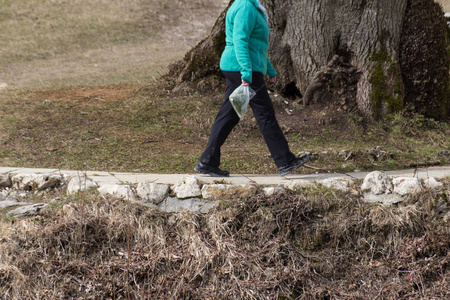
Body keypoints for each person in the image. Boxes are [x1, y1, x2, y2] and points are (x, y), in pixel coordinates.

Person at [195, 0, 309, 177]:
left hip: (241, 66)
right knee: (265, 113)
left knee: (229, 114)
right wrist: (246, 71)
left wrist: (269, 69)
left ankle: (207, 161)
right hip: (240, 67)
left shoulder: (253, 6)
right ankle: (285, 161)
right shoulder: (245, 6)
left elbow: (256, 45)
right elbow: (240, 40)